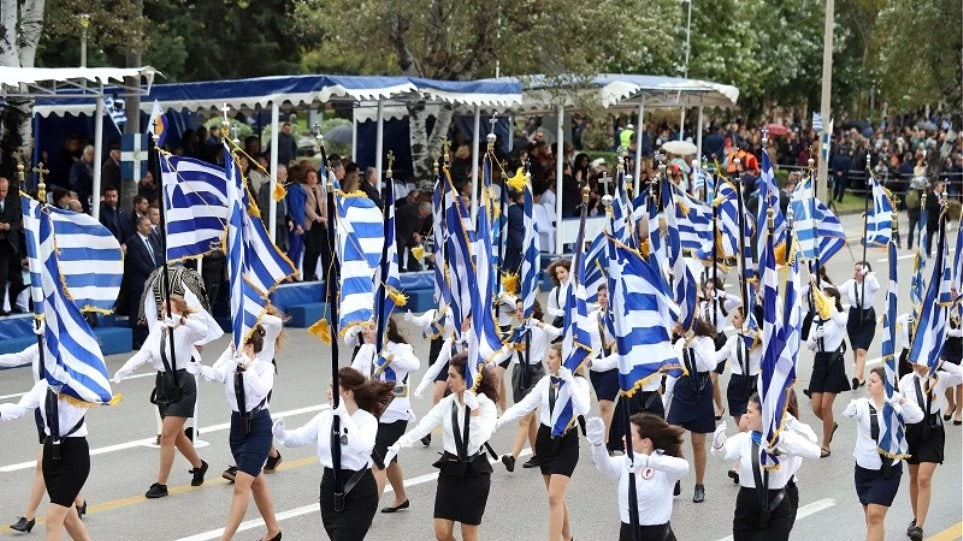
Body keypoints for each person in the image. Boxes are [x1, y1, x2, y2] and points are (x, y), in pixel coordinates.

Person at [384, 353, 499, 541]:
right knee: (442, 532)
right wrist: (398, 444)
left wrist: (475, 411)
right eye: (448, 375)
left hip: (475, 472)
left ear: (467, 378)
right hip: (450, 469)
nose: (448, 380)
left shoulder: (486, 405)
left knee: (469, 535)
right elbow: (424, 426)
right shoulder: (448, 403)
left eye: (453, 376)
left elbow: (478, 439)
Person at [274, 367, 393, 540]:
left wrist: (343, 416)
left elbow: (362, 445)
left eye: (332, 387)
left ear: (348, 393)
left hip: (358, 489)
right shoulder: (325, 417)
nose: (327, 392)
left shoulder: (367, 420)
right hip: (329, 488)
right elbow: (299, 437)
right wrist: (281, 434)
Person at [186, 327, 281, 541]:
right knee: (256, 482)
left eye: (235, 343)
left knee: (241, 483)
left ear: (248, 346)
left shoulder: (264, 368)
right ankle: (274, 531)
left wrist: (246, 367)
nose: (231, 347)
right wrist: (198, 368)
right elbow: (215, 375)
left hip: (258, 426)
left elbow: (260, 391)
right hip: (238, 427)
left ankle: (225, 538)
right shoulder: (231, 365)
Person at [112, 295, 209, 499]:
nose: (164, 312)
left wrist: (182, 320)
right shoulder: (158, 328)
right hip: (163, 385)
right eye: (163, 309)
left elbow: (204, 331)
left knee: (167, 436)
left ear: (180, 311)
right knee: (178, 435)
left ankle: (161, 484)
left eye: (168, 309)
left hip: (183, 383)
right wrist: (125, 369)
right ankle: (199, 465)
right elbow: (145, 352)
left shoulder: (187, 330)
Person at [495, 343, 590, 541]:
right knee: (557, 498)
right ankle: (569, 538)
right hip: (545, 441)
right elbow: (524, 406)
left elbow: (584, 408)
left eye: (552, 357)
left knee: (554, 497)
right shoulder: (545, 382)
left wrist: (569, 380)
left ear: (564, 361)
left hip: (567, 442)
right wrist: (497, 423)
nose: (547, 360)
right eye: (548, 357)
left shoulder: (578, 383)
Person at [0, 334, 88, 534]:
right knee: (70, 521)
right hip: (52, 452)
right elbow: (18, 410)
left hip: (74, 452)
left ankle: (29, 516)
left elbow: (99, 394)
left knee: (52, 521)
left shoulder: (78, 385)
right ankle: (78, 501)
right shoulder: (41, 386)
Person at [710, 393, 821, 541]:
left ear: (765, 416)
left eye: (750, 412)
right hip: (747, 509)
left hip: (776, 508)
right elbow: (722, 456)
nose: (745, 416)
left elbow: (815, 452)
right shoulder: (744, 440)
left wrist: (780, 439)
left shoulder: (783, 438)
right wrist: (718, 445)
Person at [842, 367, 924, 541]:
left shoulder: (895, 407)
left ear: (884, 385)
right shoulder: (863, 405)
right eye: (869, 380)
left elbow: (917, 417)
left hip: (887, 472)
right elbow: (848, 412)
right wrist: (853, 405)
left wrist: (898, 398)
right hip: (863, 472)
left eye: (873, 381)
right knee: (871, 520)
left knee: (875, 516)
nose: (869, 384)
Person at [350, 317, 421, 513]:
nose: (367, 331)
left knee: (377, 460)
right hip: (373, 411)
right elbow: (354, 374)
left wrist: (390, 357)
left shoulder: (400, 348)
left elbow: (415, 365)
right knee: (390, 459)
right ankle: (401, 497)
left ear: (384, 329)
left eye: (372, 327)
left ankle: (367, 509)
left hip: (395, 411)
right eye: (366, 327)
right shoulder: (366, 349)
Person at [588, 413, 688, 541]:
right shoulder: (626, 462)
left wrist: (646, 461)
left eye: (629, 435)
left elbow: (683, 467)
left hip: (658, 536)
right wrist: (598, 445)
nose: (624, 438)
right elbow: (605, 466)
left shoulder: (662, 464)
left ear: (646, 442)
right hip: (628, 534)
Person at [218, 306, 286, 482]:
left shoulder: (268, 328)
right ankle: (272, 454)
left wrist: (254, 314)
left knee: (256, 416)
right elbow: (230, 350)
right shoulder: (243, 331)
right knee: (247, 416)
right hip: (242, 376)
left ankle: (243, 465)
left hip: (260, 376)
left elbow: (278, 321)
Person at [898, 360, 963, 541]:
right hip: (912, 431)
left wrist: (942, 362)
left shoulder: (940, 378)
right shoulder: (906, 381)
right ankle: (916, 517)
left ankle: (918, 526)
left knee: (924, 478)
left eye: (921, 362)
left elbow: (961, 375)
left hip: (932, 429)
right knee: (913, 476)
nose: (917, 366)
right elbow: (896, 406)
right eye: (914, 363)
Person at [501, 299, 559, 472]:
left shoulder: (540, 330)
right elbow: (505, 352)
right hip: (519, 373)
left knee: (524, 417)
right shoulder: (516, 332)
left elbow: (556, 332)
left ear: (532, 311)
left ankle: (512, 457)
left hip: (536, 373)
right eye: (517, 310)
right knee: (531, 418)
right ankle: (537, 455)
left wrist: (537, 322)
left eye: (522, 310)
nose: (518, 313)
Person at [665, 319, 717, 503]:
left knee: (697, 442)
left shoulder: (706, 341)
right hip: (684, 386)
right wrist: (666, 399)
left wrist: (693, 343)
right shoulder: (678, 344)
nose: (677, 328)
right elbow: (675, 372)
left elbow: (711, 364)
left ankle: (699, 484)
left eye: (680, 325)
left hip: (702, 388)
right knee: (673, 435)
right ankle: (676, 476)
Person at [805, 286, 850, 457]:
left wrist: (830, 306)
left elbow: (838, 320)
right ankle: (831, 424)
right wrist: (815, 336)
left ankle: (825, 444)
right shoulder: (816, 319)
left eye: (823, 298)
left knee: (825, 406)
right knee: (816, 407)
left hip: (834, 362)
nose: (819, 302)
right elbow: (809, 344)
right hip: (819, 362)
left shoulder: (840, 317)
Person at [838, 262, 880, 388]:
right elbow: (837, 290)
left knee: (862, 350)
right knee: (856, 350)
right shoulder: (851, 283)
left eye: (859, 270)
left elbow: (876, 286)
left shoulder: (869, 282)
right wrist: (821, 282)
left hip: (867, 318)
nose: (857, 272)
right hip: (854, 317)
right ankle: (860, 377)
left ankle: (856, 378)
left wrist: (867, 274)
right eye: (855, 270)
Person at [124, 216, 163, 348]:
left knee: (148, 311)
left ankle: (145, 338)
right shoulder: (133, 241)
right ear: (139, 227)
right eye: (146, 225)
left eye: (150, 225)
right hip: (139, 282)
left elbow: (156, 256)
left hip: (151, 282)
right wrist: (154, 272)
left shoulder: (151, 239)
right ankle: (135, 340)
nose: (150, 228)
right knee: (137, 312)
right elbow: (138, 262)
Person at [587, 284, 619, 443]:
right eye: (599, 295)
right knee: (603, 405)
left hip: (613, 366)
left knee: (605, 405)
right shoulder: (593, 316)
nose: (602, 298)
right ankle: (611, 436)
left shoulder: (618, 317)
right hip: (594, 365)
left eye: (605, 295)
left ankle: (604, 442)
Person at [0, 177, 22, 316]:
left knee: (2, 278)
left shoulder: (12, 203)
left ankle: (0, 307)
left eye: (4, 190)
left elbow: (17, 222)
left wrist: (8, 226)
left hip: (6, 245)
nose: (1, 193)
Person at [302, 168, 326, 282]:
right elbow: (306, 206)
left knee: (317, 250)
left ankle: (313, 273)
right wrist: (316, 217)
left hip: (321, 223)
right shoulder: (304, 189)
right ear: (306, 178)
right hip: (311, 222)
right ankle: (307, 274)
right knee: (310, 249)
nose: (313, 178)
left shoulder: (320, 188)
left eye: (315, 176)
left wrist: (325, 217)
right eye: (310, 177)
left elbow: (323, 203)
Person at [545, 259, 571, 329]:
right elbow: (550, 308)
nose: (560, 275)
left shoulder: (577, 288)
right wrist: (561, 312)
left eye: (562, 272)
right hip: (563, 324)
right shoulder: (555, 291)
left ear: (569, 271)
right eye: (557, 273)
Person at [68, 145, 94, 213]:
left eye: (92, 154)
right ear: (84, 154)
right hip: (80, 195)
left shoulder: (93, 166)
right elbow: (72, 181)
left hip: (89, 195)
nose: (91, 156)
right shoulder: (77, 165)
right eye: (89, 154)